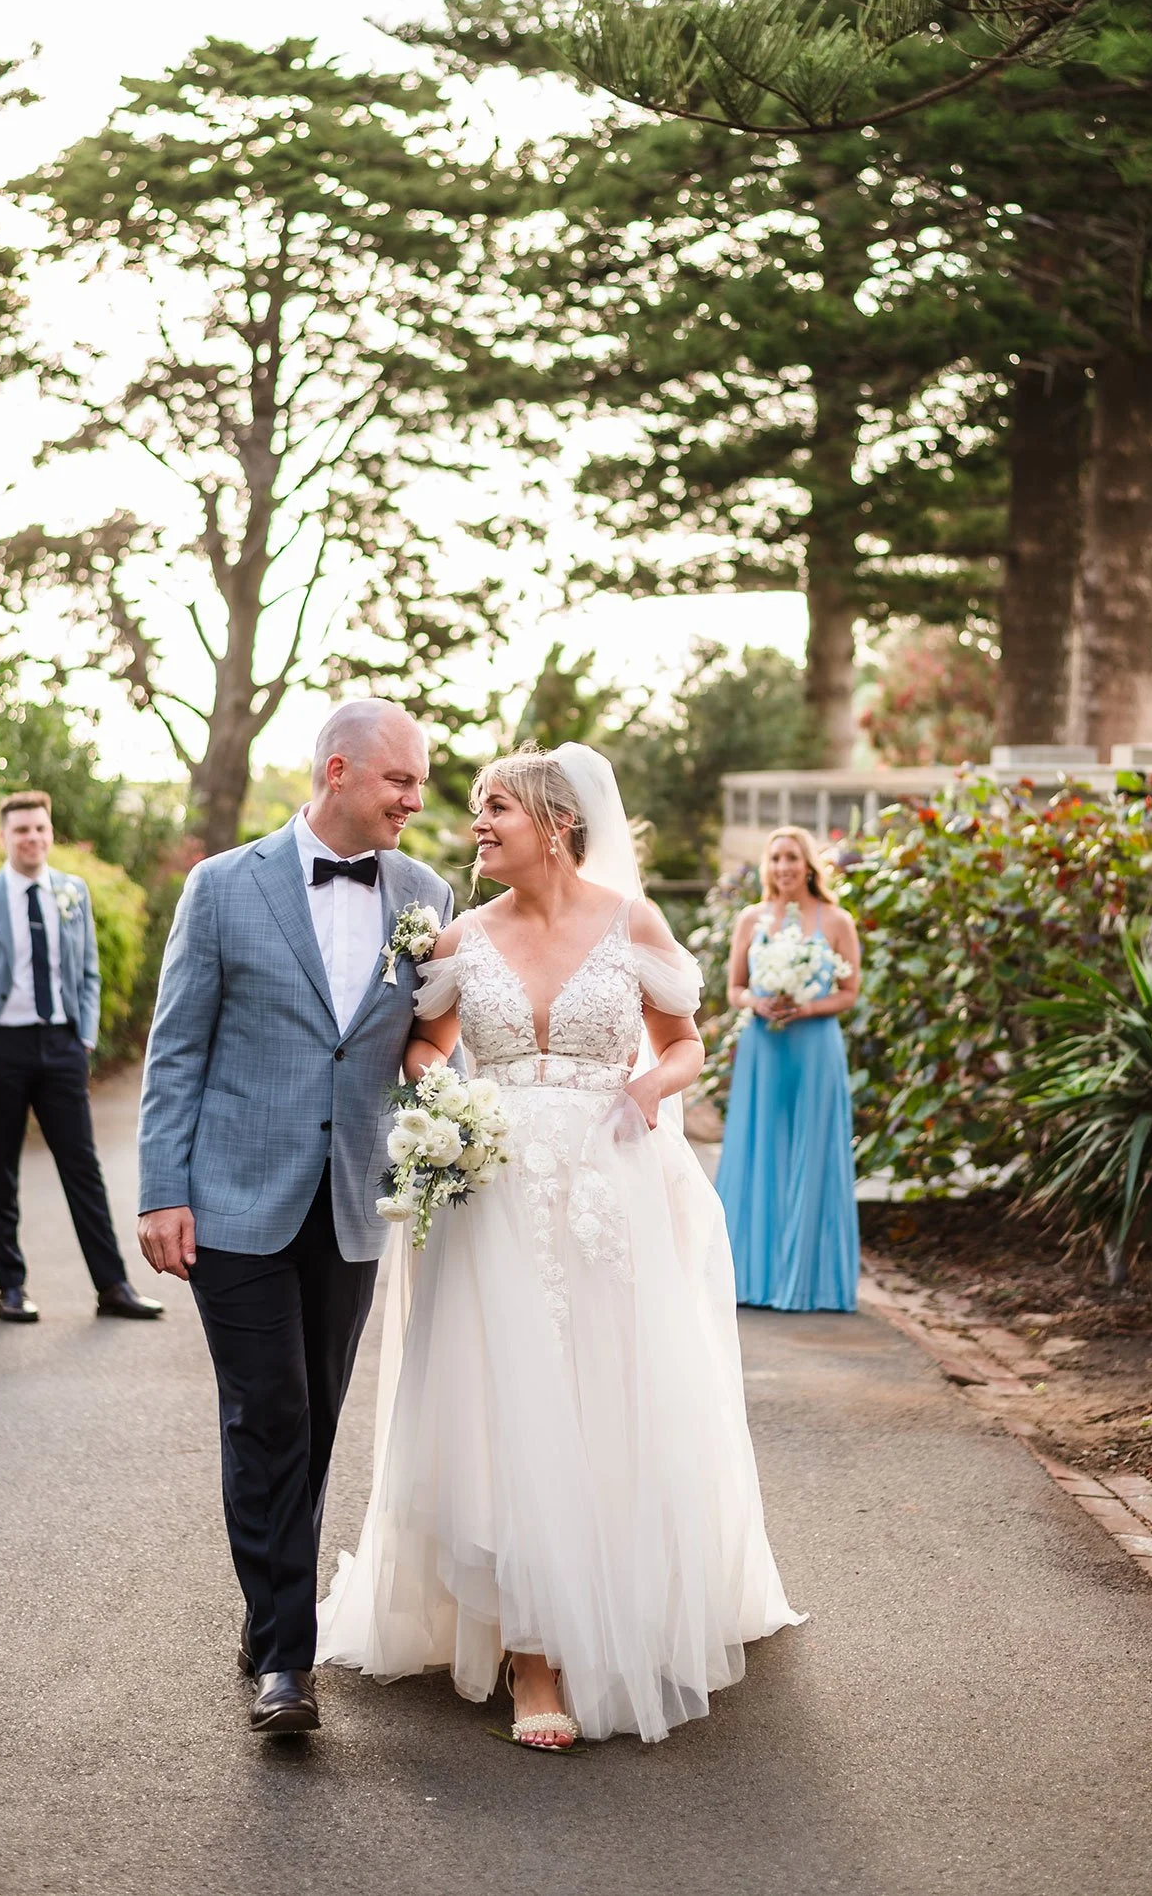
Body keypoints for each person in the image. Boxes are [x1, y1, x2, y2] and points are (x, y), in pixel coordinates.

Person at [316, 744, 801, 1748]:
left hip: (607, 1186)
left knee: (602, 1397)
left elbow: (685, 1045)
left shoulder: (634, 925)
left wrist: (647, 1089)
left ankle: (603, 1610)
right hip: (489, 1191)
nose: (475, 825)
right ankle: (532, 1656)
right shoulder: (459, 933)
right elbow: (426, 1045)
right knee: (504, 1407)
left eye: (495, 809)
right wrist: (437, 1095)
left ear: (557, 822)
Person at [136, 700, 455, 1738]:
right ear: (337, 770)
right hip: (233, 1196)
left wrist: (446, 1105)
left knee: (313, 1417)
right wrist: (160, 1189)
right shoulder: (223, 887)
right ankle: (287, 1657)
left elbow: (426, 1040)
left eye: (420, 783)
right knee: (267, 1410)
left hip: (355, 1197)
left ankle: (265, 1604)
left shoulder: (425, 894)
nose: (416, 799)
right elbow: (176, 1047)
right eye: (400, 781)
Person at [0, 790, 161, 1328]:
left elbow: (88, 973)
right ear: (3, 837)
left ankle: (113, 1286)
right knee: (1, 1171)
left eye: (39, 828)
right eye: (20, 831)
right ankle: (11, 1289)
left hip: (61, 1049)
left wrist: (83, 1037)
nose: (32, 838)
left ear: (49, 832)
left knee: (83, 1168)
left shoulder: (72, 892)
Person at [715, 825, 861, 1313]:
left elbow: (850, 991)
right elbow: (735, 988)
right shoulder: (751, 919)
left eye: (793, 858)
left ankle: (809, 1284)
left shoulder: (837, 920)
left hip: (815, 1048)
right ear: (767, 865)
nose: (784, 867)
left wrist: (807, 1007)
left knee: (812, 1151)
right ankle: (752, 1279)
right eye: (776, 858)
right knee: (760, 1150)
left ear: (808, 865)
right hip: (764, 1047)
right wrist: (757, 1002)